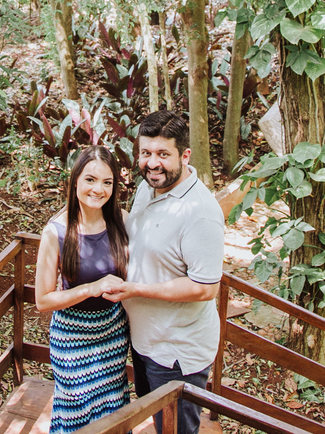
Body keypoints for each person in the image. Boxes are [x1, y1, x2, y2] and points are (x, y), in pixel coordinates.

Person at [102, 110, 225, 434]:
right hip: (144, 341)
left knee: (176, 430)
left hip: (175, 354)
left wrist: (137, 290)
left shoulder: (200, 213)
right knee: (154, 417)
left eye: (163, 154)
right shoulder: (148, 187)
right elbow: (143, 235)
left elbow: (205, 288)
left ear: (185, 155)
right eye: (145, 153)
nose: (152, 163)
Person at [35, 145, 132, 434]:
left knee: (112, 411)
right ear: (75, 180)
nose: (98, 189)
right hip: (72, 337)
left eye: (107, 182)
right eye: (90, 179)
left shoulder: (122, 220)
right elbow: (43, 300)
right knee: (76, 413)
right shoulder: (56, 231)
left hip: (113, 332)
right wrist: (91, 288)